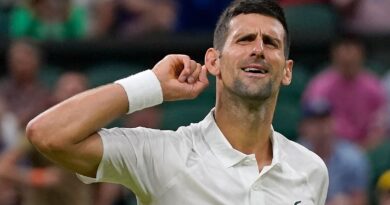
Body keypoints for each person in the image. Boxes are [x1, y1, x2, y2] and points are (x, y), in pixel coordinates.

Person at [26, 0, 329, 204]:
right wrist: (151, 86)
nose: (259, 49)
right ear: (213, 61)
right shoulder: (162, 155)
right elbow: (47, 134)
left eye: (271, 42)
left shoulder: (312, 171)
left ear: (287, 71)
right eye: (244, 39)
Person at [302, 37, 386, 149]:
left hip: (367, 147)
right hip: (330, 146)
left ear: (361, 58)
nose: (348, 65)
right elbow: (312, 123)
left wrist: (363, 148)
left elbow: (380, 125)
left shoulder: (373, 87)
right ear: (334, 58)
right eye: (344, 62)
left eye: (352, 62)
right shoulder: (320, 85)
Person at [299, 99, 369, 205]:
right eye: (314, 122)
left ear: (333, 122)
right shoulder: (294, 155)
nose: (320, 127)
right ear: (303, 127)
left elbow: (361, 200)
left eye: (324, 120)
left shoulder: (352, 157)